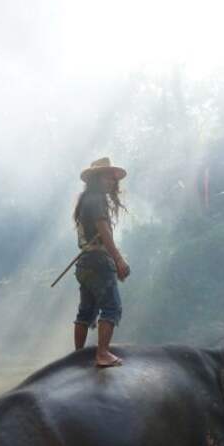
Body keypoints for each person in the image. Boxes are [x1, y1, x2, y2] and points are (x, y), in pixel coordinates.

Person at [73, 157, 130, 367]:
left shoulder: (86, 199)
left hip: (84, 263)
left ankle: (77, 355)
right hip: (98, 262)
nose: (111, 181)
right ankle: (102, 353)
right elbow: (104, 232)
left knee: (86, 310)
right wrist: (119, 260)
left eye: (112, 178)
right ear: (97, 178)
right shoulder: (96, 200)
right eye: (107, 176)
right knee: (112, 307)